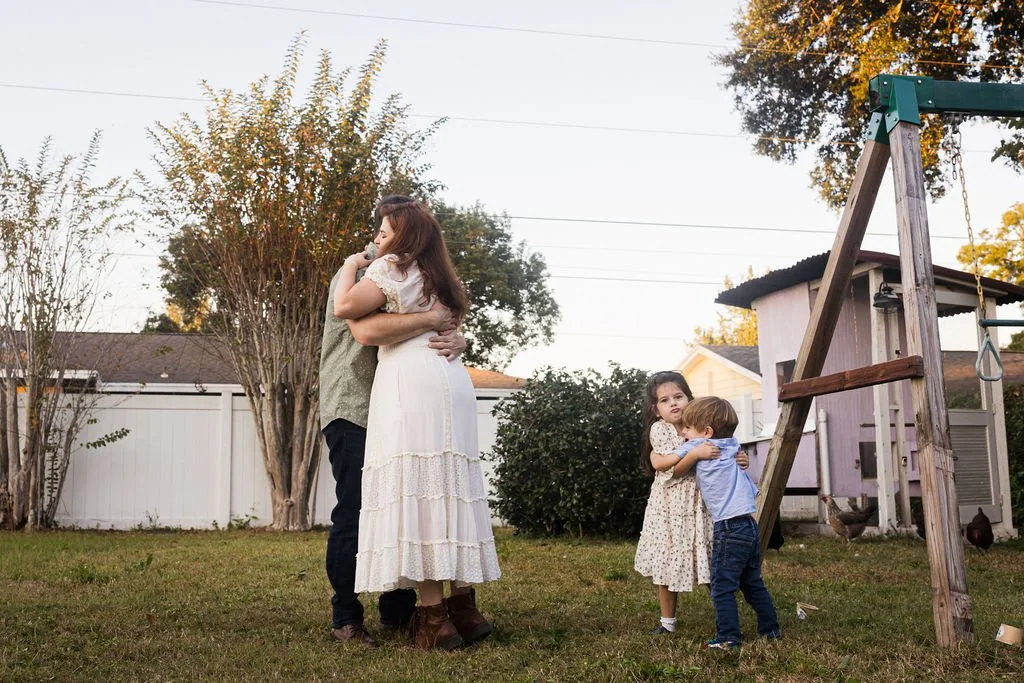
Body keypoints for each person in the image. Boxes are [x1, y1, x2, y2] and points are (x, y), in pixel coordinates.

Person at [334, 198, 501, 650]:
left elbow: (346, 309)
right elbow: (449, 326)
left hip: (410, 380)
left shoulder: (390, 267)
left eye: (385, 232)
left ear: (404, 236)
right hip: (450, 378)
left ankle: (433, 620)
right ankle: (465, 609)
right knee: (450, 486)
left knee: (418, 489)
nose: (378, 239)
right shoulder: (442, 274)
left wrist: (352, 264)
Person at [633, 371, 745, 635]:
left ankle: (726, 619)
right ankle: (667, 623)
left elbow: (727, 450)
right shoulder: (659, 430)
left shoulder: (704, 424)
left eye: (678, 396)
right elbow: (675, 471)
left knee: (711, 560)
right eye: (664, 400)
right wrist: (695, 453)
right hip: (670, 509)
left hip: (701, 505)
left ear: (689, 398)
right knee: (668, 563)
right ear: (656, 409)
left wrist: (741, 459)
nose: (673, 403)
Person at [675, 396, 780, 651]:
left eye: (687, 427)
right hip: (749, 525)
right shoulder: (733, 445)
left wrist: (693, 453)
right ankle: (771, 630)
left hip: (728, 527)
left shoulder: (699, 445)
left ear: (706, 432)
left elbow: (675, 469)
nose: (683, 433)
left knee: (722, 586)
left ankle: (728, 637)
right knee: (752, 582)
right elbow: (741, 458)